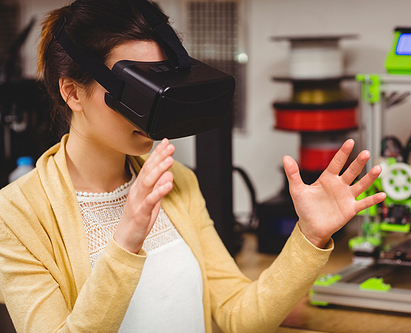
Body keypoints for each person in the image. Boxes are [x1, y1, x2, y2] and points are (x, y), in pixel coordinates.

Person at [0, 0, 386, 332]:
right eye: (136, 89)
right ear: (72, 92)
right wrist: (125, 242)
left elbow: (238, 316)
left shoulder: (176, 182)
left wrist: (309, 237)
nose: (155, 109)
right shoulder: (18, 213)